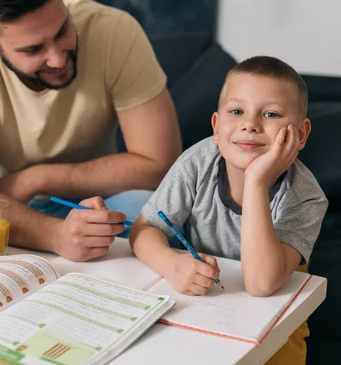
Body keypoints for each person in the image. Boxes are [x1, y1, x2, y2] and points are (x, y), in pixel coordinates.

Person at [0, 0, 182, 262]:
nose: (57, 58)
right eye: (32, 50)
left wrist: (37, 178)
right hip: (7, 201)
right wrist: (56, 236)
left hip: (103, 195)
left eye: (62, 31)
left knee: (155, 213)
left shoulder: (115, 31)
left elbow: (161, 165)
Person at [128, 56, 328, 365]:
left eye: (271, 113)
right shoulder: (197, 162)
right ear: (217, 126)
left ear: (300, 135)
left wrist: (256, 180)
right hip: (208, 308)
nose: (250, 124)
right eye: (236, 111)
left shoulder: (306, 197)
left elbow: (262, 284)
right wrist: (170, 263)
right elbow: (143, 230)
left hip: (276, 328)